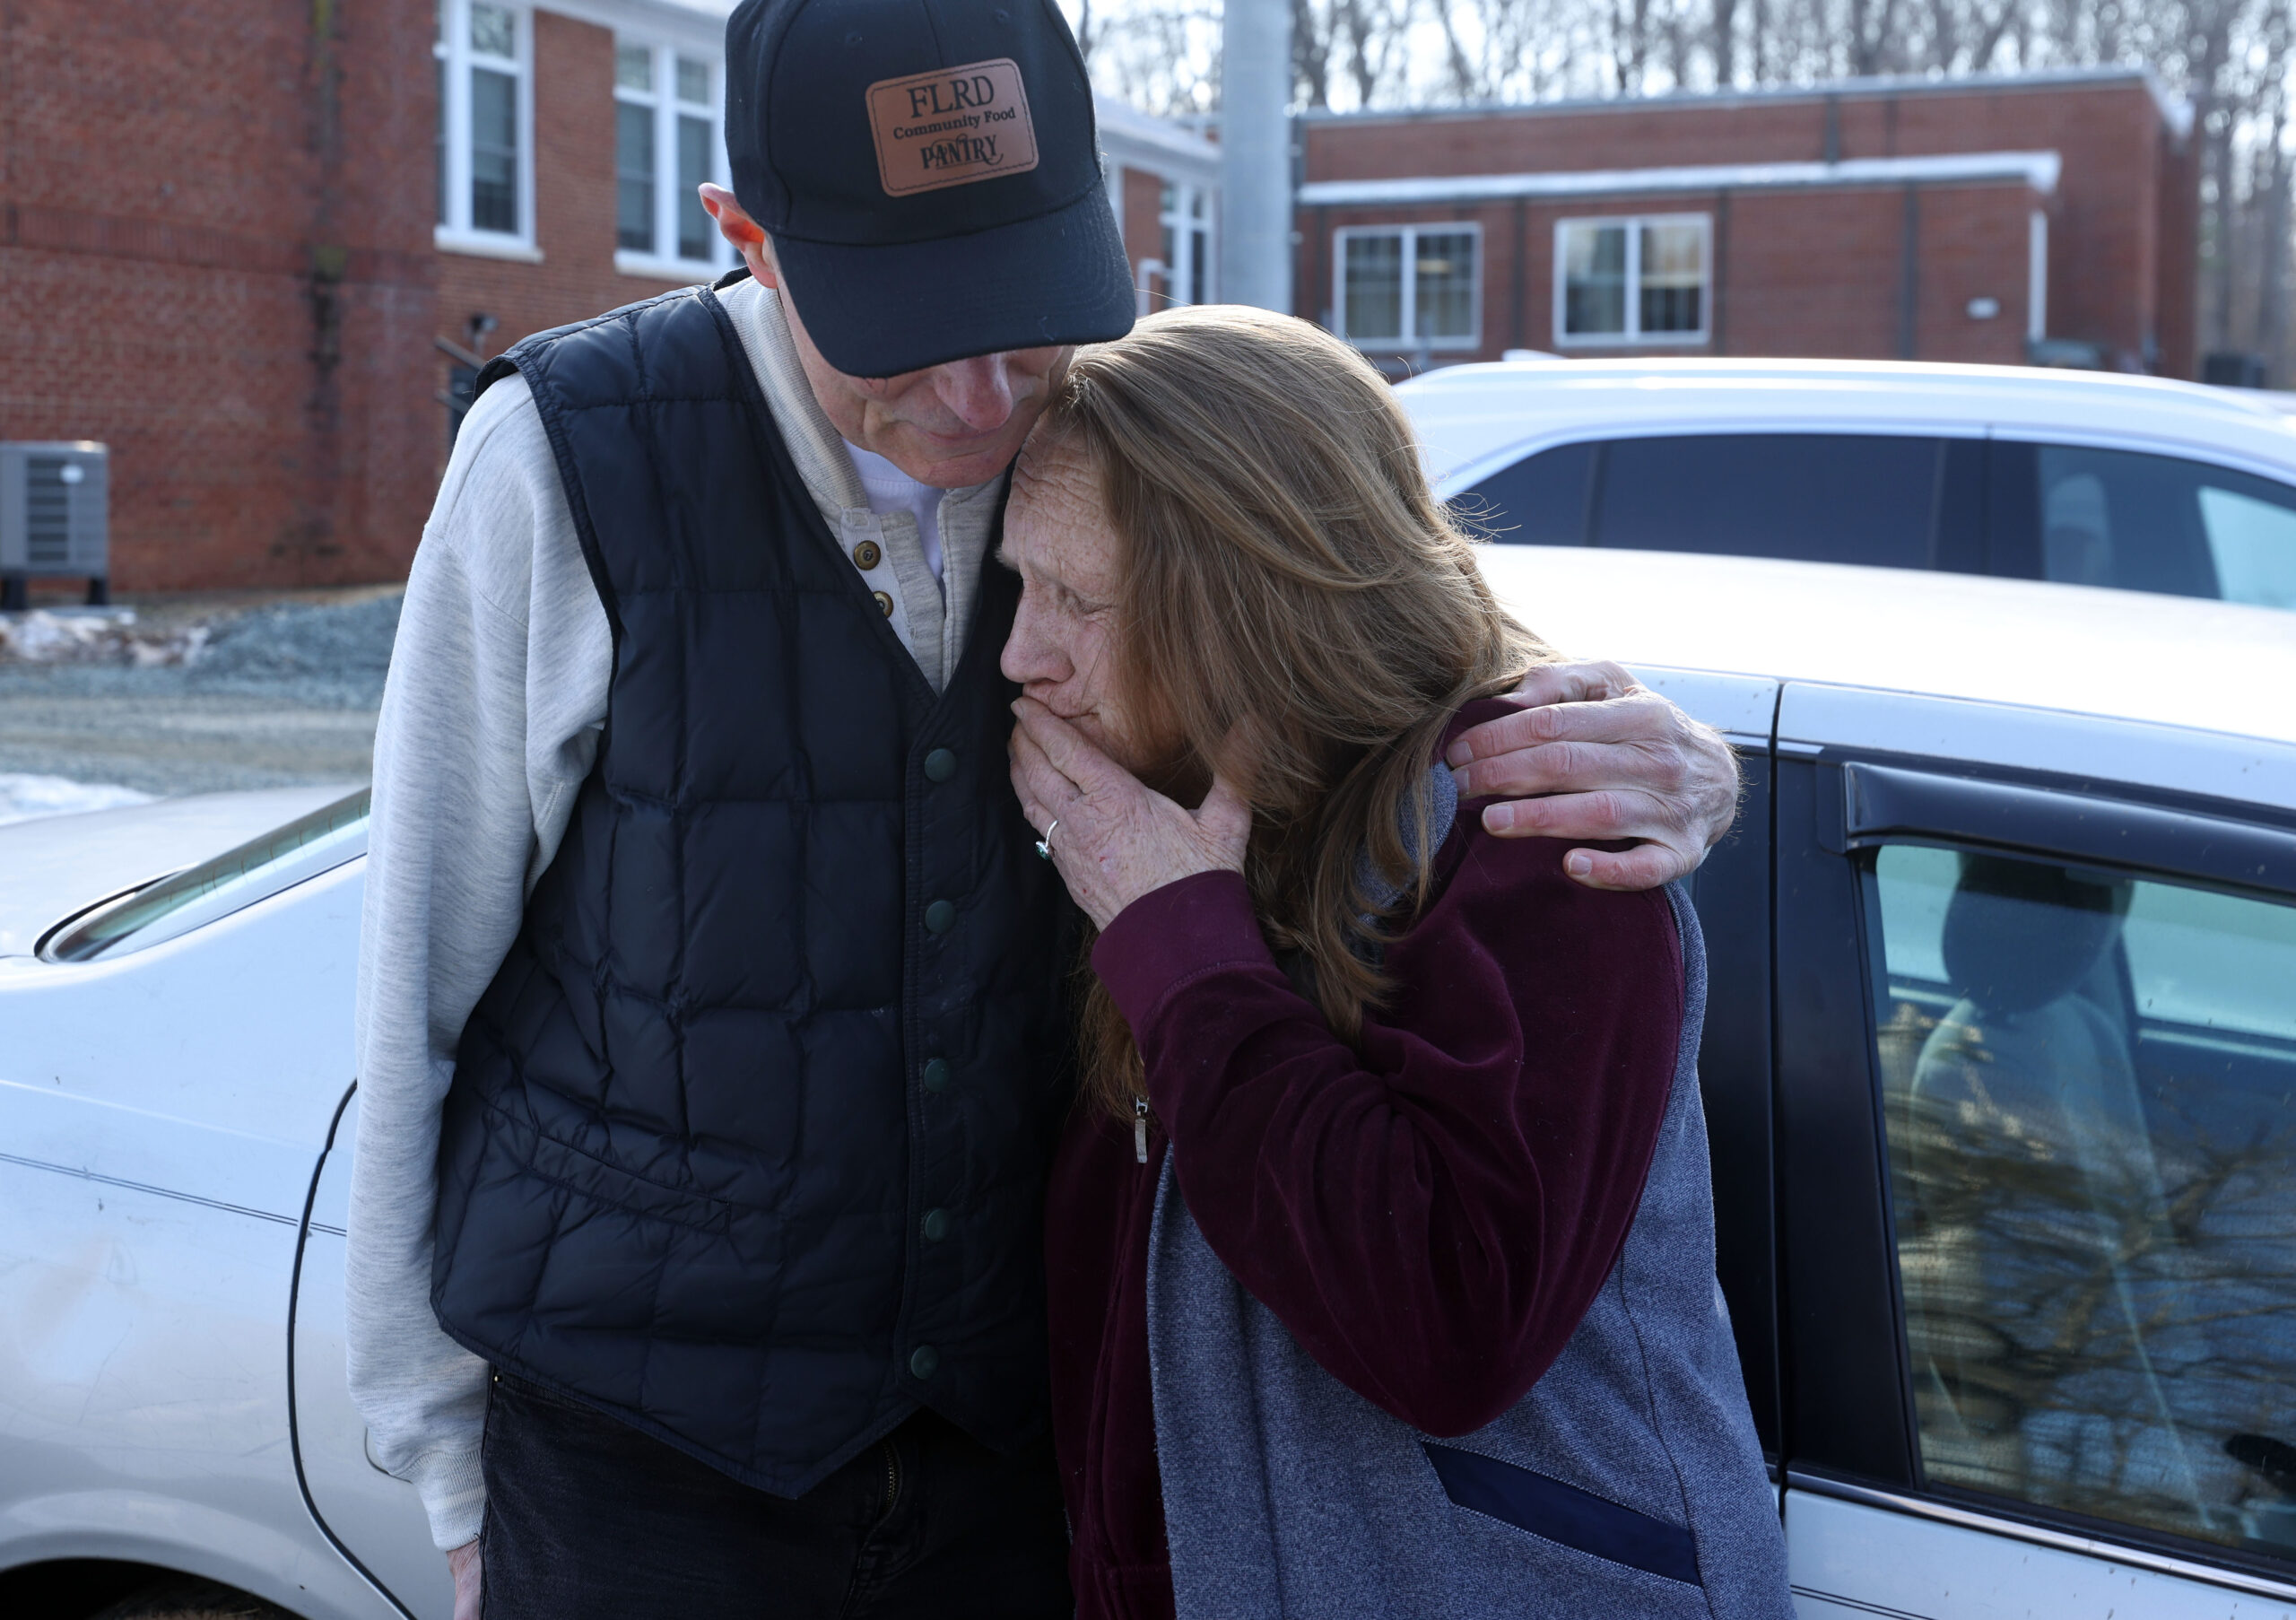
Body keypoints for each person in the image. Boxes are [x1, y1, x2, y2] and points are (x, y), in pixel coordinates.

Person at [345, 2, 1744, 1616]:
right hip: (650, 1477)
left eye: (1022, 307)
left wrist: (1668, 754)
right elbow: (417, 978)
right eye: (909, 323)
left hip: (1016, 1479)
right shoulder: (562, 462)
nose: (978, 393)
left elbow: (1346, 623)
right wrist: (452, 1474)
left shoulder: (1095, 433)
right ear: (752, 240)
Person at [1004, 305, 1791, 1618]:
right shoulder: (1127, 780)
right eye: (1016, 588)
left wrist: (1187, 952)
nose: (1024, 651)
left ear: (1248, 597)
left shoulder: (1533, 836)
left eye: (1076, 598)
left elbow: (1446, 1321)